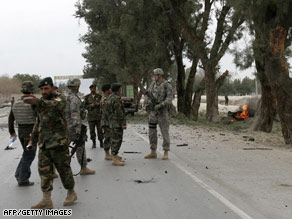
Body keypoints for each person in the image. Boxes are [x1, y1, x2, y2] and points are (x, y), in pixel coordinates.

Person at [24, 77, 77, 209]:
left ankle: (71, 193)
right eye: (41, 89)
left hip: (59, 143)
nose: (43, 91)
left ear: (52, 88)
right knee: (44, 171)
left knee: (64, 170)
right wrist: (33, 139)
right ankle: (46, 199)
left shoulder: (60, 98)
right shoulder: (41, 102)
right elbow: (39, 121)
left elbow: (56, 105)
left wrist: (38, 102)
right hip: (44, 143)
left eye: (46, 88)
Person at [8, 81, 37, 186]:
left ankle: (18, 174)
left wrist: (12, 132)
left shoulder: (16, 102)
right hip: (30, 133)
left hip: (21, 132)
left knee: (26, 153)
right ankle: (23, 179)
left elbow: (11, 118)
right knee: (29, 155)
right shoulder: (32, 103)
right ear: (31, 90)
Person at [65, 78, 95, 175]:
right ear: (76, 86)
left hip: (65, 126)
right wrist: (78, 129)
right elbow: (75, 114)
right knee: (80, 146)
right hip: (72, 127)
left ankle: (55, 168)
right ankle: (83, 168)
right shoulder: (74, 98)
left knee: (62, 148)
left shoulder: (66, 96)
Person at [144, 68, 174, 160]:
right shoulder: (153, 84)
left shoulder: (167, 85)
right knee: (152, 132)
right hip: (153, 112)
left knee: (164, 132)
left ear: (160, 76)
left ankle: (166, 151)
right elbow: (147, 94)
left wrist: (161, 105)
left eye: (155, 75)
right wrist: (148, 101)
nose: (154, 77)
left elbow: (169, 98)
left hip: (162, 112)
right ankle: (153, 151)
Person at [108, 83, 127, 166]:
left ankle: (114, 155)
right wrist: (123, 123)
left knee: (114, 139)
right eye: (120, 89)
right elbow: (119, 112)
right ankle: (114, 158)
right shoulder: (116, 99)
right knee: (117, 140)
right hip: (117, 123)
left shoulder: (110, 97)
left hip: (112, 121)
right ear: (118, 90)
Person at [84, 83, 103, 148]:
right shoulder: (87, 97)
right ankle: (94, 142)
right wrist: (90, 106)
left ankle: (101, 142)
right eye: (92, 88)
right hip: (91, 117)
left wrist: (99, 104)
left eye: (94, 88)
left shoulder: (99, 96)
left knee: (100, 130)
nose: (93, 89)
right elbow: (84, 106)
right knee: (92, 131)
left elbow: (103, 104)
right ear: (90, 89)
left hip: (98, 116)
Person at [101, 84, 112, 160]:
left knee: (110, 137)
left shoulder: (108, 98)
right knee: (107, 137)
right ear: (106, 90)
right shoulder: (104, 99)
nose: (111, 90)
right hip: (106, 121)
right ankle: (107, 154)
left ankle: (109, 153)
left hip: (109, 121)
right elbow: (105, 111)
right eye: (110, 89)